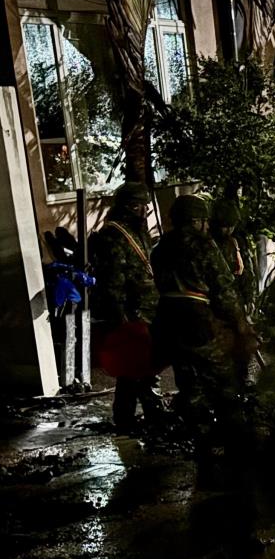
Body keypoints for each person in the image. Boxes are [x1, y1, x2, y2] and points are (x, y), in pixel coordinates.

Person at [151, 194, 256, 444]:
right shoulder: (203, 245)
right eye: (204, 220)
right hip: (199, 321)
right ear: (196, 220)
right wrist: (241, 323)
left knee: (188, 381)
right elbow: (223, 288)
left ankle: (200, 437)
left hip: (168, 321)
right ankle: (235, 440)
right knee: (223, 380)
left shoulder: (160, 248)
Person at [89, 182, 163, 430]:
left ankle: (129, 418)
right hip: (131, 313)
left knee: (136, 368)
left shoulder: (135, 231)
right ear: (133, 206)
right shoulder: (114, 235)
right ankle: (144, 416)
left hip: (144, 309)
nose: (146, 211)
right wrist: (121, 317)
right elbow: (113, 281)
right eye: (143, 206)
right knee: (137, 367)